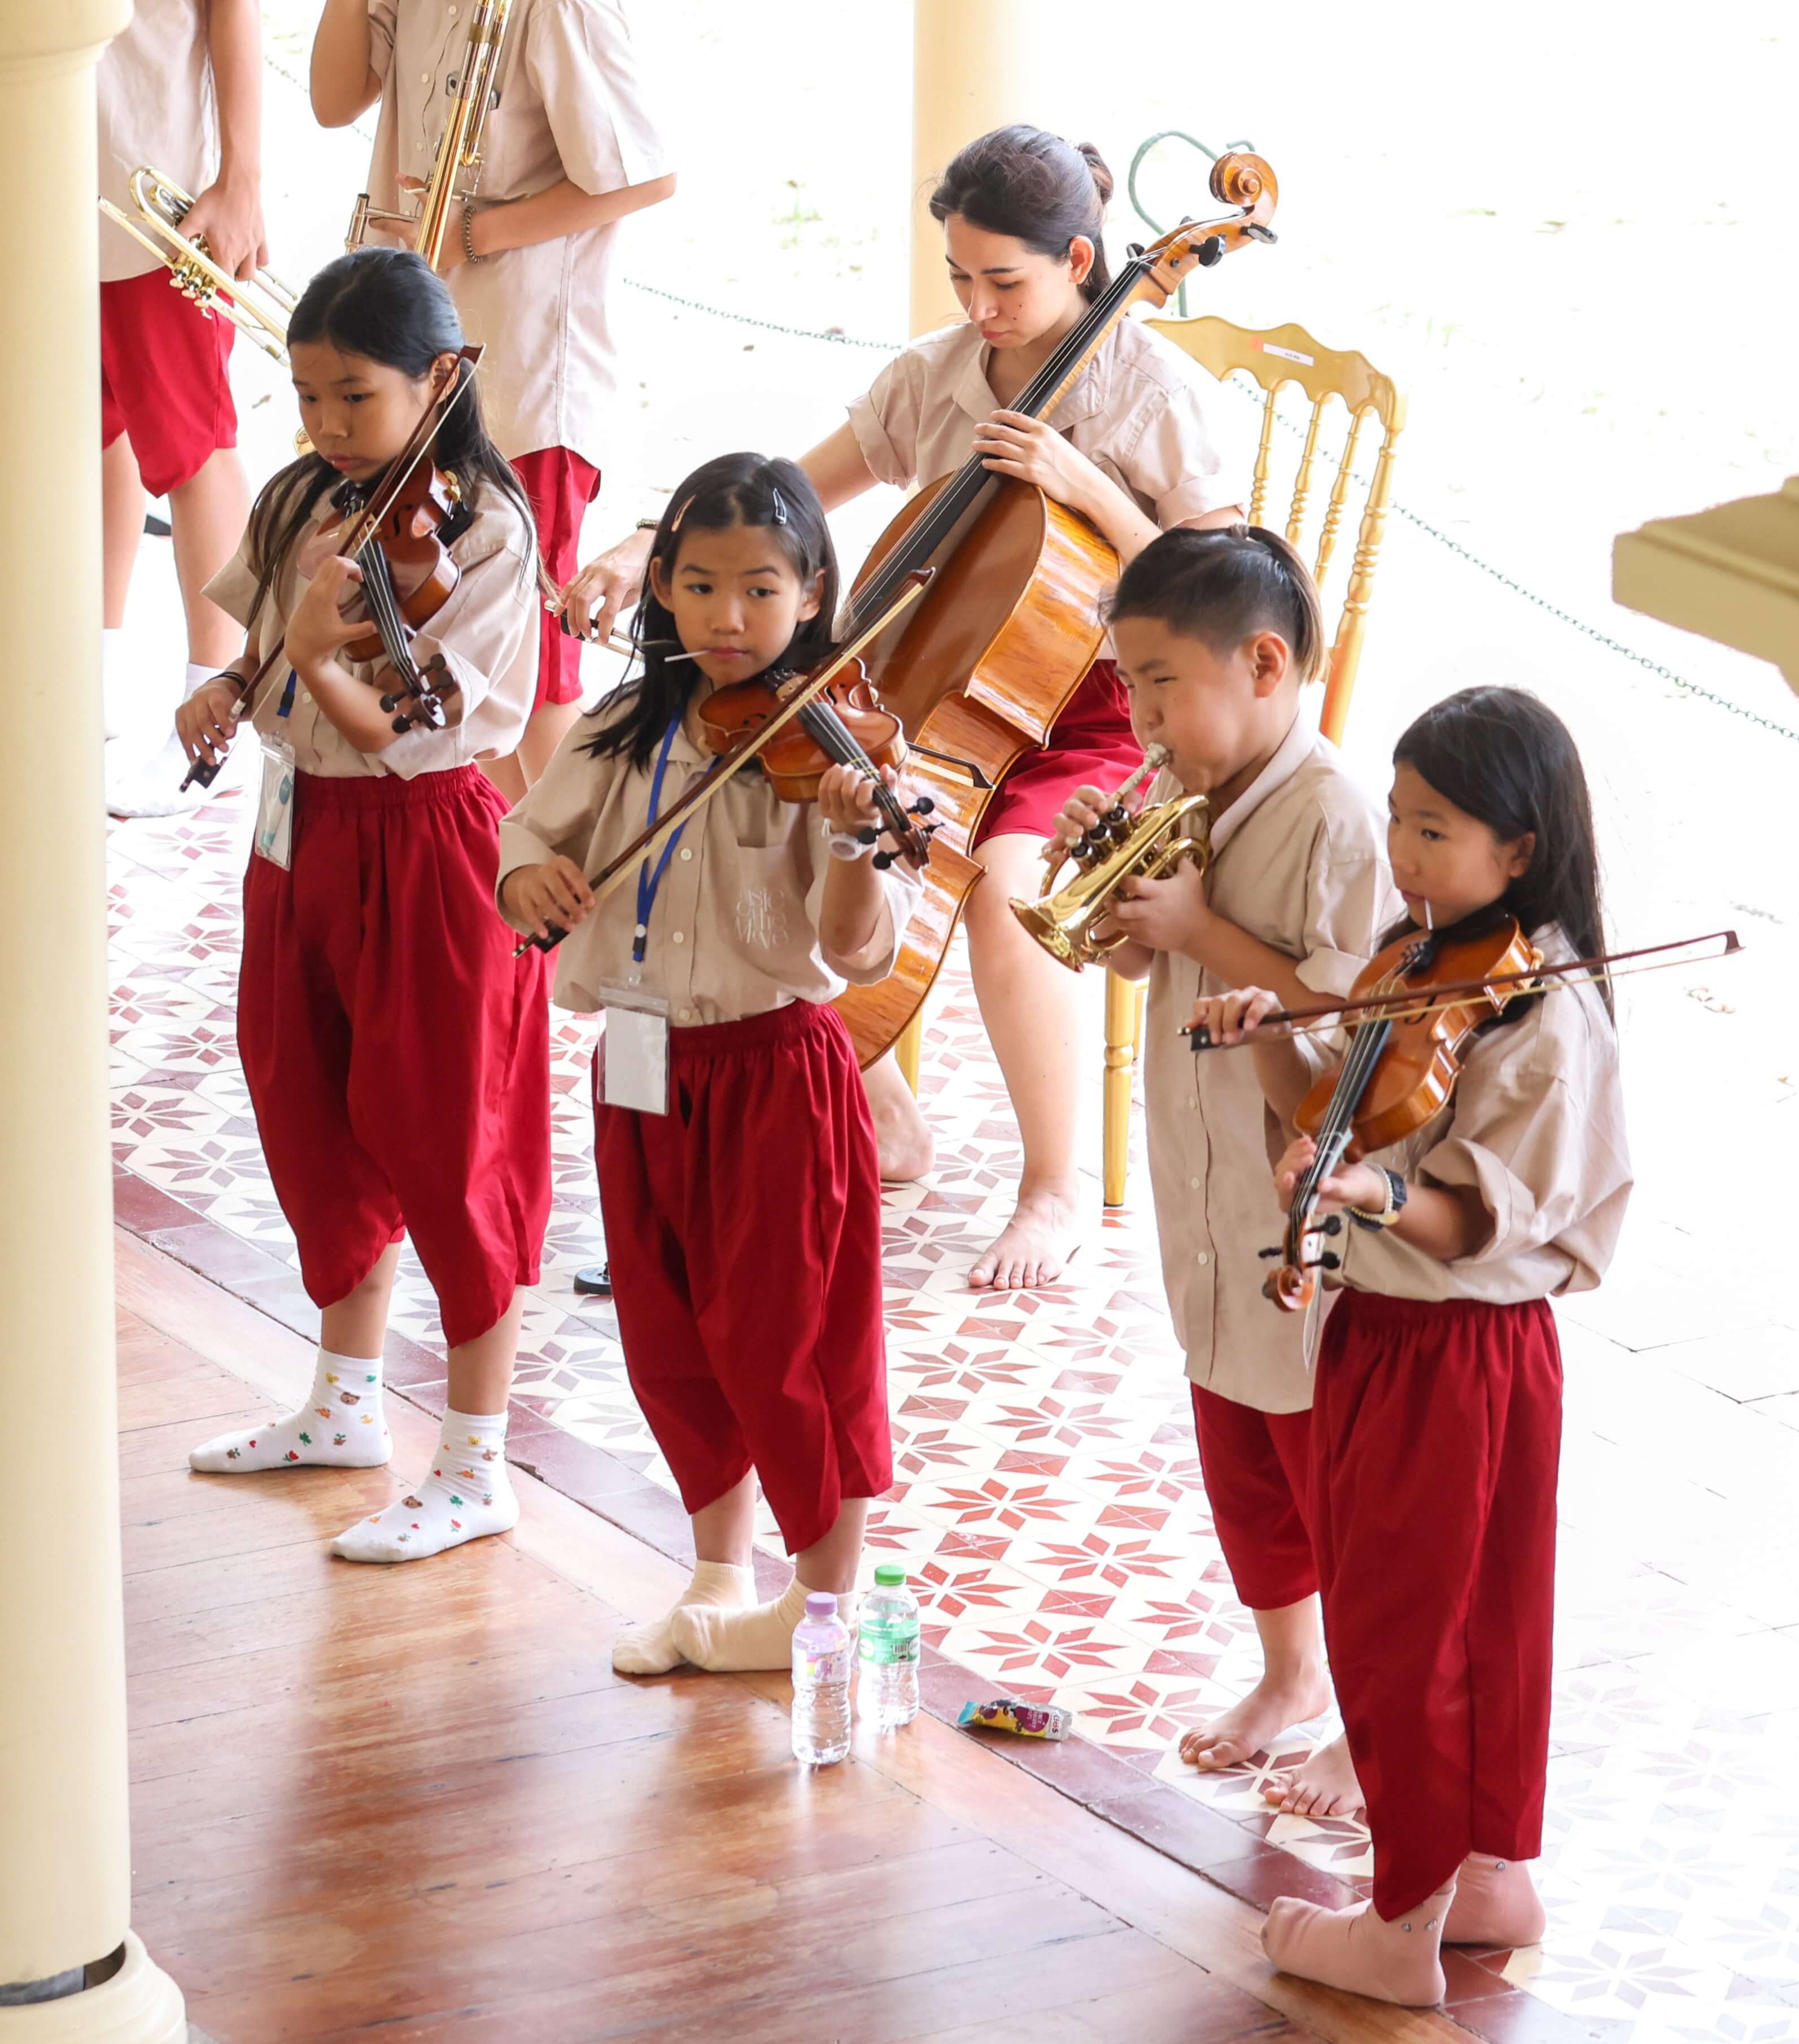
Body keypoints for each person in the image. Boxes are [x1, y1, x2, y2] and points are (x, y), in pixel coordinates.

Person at [565, 125, 1243, 1289]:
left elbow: (1230, 601)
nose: (979, 308)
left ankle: (1051, 1188)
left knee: (1002, 893)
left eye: (1004, 282)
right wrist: (651, 536)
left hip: (1110, 720)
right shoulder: (935, 376)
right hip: (949, 698)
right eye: (960, 279)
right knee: (776, 825)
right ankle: (881, 1115)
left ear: (1081, 264)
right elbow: (790, 494)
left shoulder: (1150, 396)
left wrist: (1085, 488)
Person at [1208, 686, 1631, 2006]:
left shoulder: (1543, 1016)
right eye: (1395, 818)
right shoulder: (1420, 957)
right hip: (1432, 1343)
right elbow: (1344, 1118)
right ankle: (1486, 1868)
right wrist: (1264, 1046)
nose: (1401, 852)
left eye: (1434, 829)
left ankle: (1400, 1924)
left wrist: (1371, 1197)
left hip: (1451, 1344)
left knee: (1409, 1627)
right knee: (1479, 1616)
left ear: (1522, 850)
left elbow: (1464, 1219)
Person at [497, 454, 922, 1676]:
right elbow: (530, 833)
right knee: (670, 1332)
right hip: (637, 1064)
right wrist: (527, 876)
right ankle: (717, 1577)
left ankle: (822, 1608)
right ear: (665, 589)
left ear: (811, 592)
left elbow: (850, 946)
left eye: (759, 590)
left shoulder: (830, 747)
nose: (727, 620)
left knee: (787, 1342)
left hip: (771, 1072)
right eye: (698, 586)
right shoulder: (629, 721)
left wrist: (855, 834)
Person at [179, 249, 553, 1566]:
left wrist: (319, 649)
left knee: (452, 1136)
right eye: (308, 398)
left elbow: (419, 729)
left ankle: (475, 1459)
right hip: (299, 835)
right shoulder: (301, 495)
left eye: (356, 398)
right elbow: (260, 644)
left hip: (430, 842)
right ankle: (342, 1406)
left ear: (440, 379)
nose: (329, 427)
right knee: (304, 1098)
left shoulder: (488, 532)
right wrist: (231, 684)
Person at [1048, 527, 1391, 1819]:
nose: (1137, 714)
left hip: (1289, 1200)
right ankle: (1287, 1671)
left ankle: (1365, 1718)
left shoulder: (1334, 817)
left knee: (1325, 1473)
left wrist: (1198, 926)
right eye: (1126, 683)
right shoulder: (1177, 787)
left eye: (1157, 680)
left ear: (1263, 664)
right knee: (1237, 1451)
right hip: (1199, 1189)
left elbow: (1353, 1009)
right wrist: (1117, 899)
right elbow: (1141, 962)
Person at [310, 0, 675, 798]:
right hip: (417, 368)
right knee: (444, 644)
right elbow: (333, 101)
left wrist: (479, 234)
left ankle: (565, 897)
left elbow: (646, 174)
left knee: (529, 670)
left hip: (527, 374)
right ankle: (514, 890)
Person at [99, 0, 265, 818]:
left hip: (158, 192)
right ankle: (93, 678)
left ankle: (216, 719)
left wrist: (242, 179)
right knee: (96, 435)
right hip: (51, 176)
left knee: (194, 448)